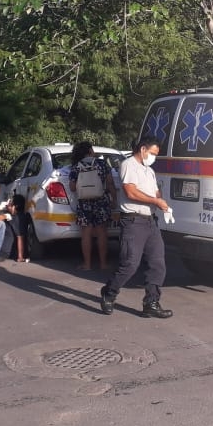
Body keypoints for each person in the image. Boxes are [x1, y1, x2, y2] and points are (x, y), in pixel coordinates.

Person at [99, 135, 172, 319]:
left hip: (150, 221)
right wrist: (155, 200)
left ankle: (151, 302)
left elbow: (155, 191)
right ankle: (109, 292)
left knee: (158, 263)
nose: (154, 157)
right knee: (130, 264)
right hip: (133, 222)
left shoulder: (149, 170)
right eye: (153, 153)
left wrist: (161, 201)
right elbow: (130, 191)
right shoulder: (128, 165)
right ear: (143, 150)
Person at [68, 141, 117, 271]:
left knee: (86, 233)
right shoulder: (102, 164)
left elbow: (72, 188)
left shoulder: (76, 167)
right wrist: (114, 200)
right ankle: (103, 264)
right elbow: (110, 183)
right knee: (102, 233)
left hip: (84, 203)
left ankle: (87, 264)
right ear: (90, 150)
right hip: (101, 202)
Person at [6, 194, 30, 264]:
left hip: (10, 252)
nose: (7, 205)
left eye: (10, 204)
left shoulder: (17, 218)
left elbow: (20, 237)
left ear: (15, 206)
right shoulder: (23, 216)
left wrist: (20, 257)